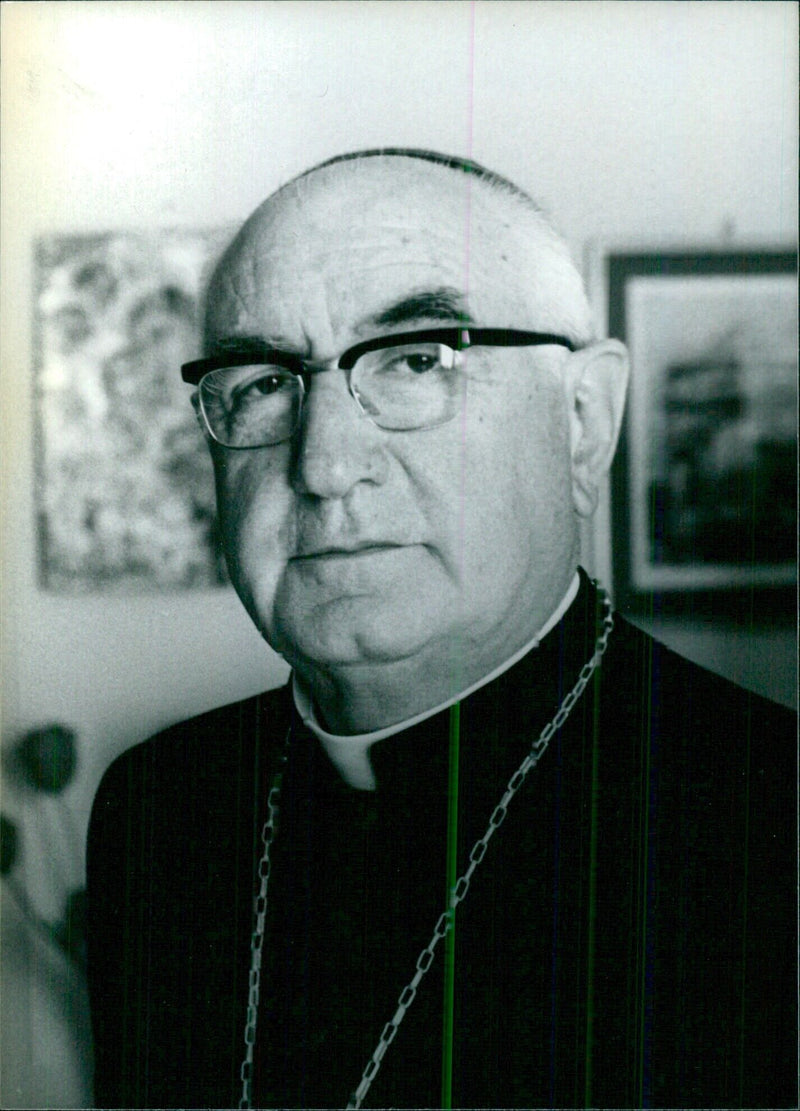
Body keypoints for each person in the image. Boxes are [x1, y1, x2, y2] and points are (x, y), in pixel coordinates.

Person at [86, 150, 796, 1109]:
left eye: (420, 358)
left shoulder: (771, 820)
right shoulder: (159, 807)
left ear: (584, 420)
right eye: (262, 382)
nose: (325, 465)